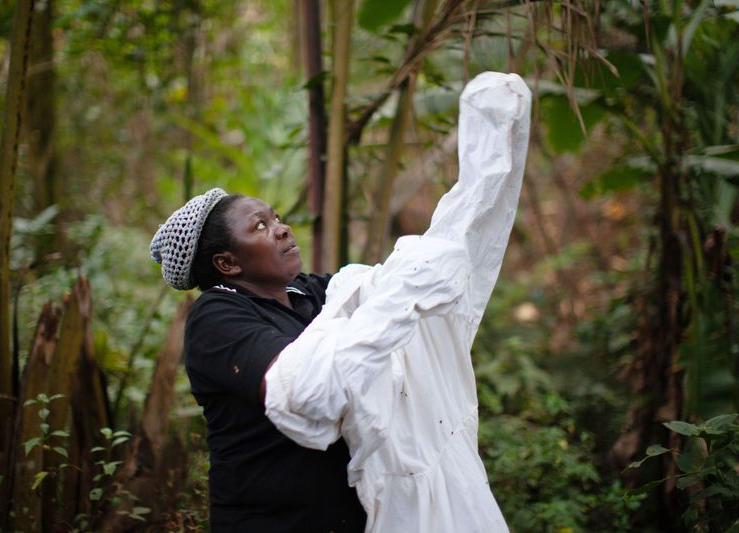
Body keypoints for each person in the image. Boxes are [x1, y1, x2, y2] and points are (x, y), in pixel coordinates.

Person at [151, 71, 531, 533]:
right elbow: (304, 385)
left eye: (277, 217)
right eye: (259, 227)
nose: (282, 229)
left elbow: (390, 289)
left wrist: (480, 182)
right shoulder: (217, 316)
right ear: (228, 264)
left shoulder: (310, 294)